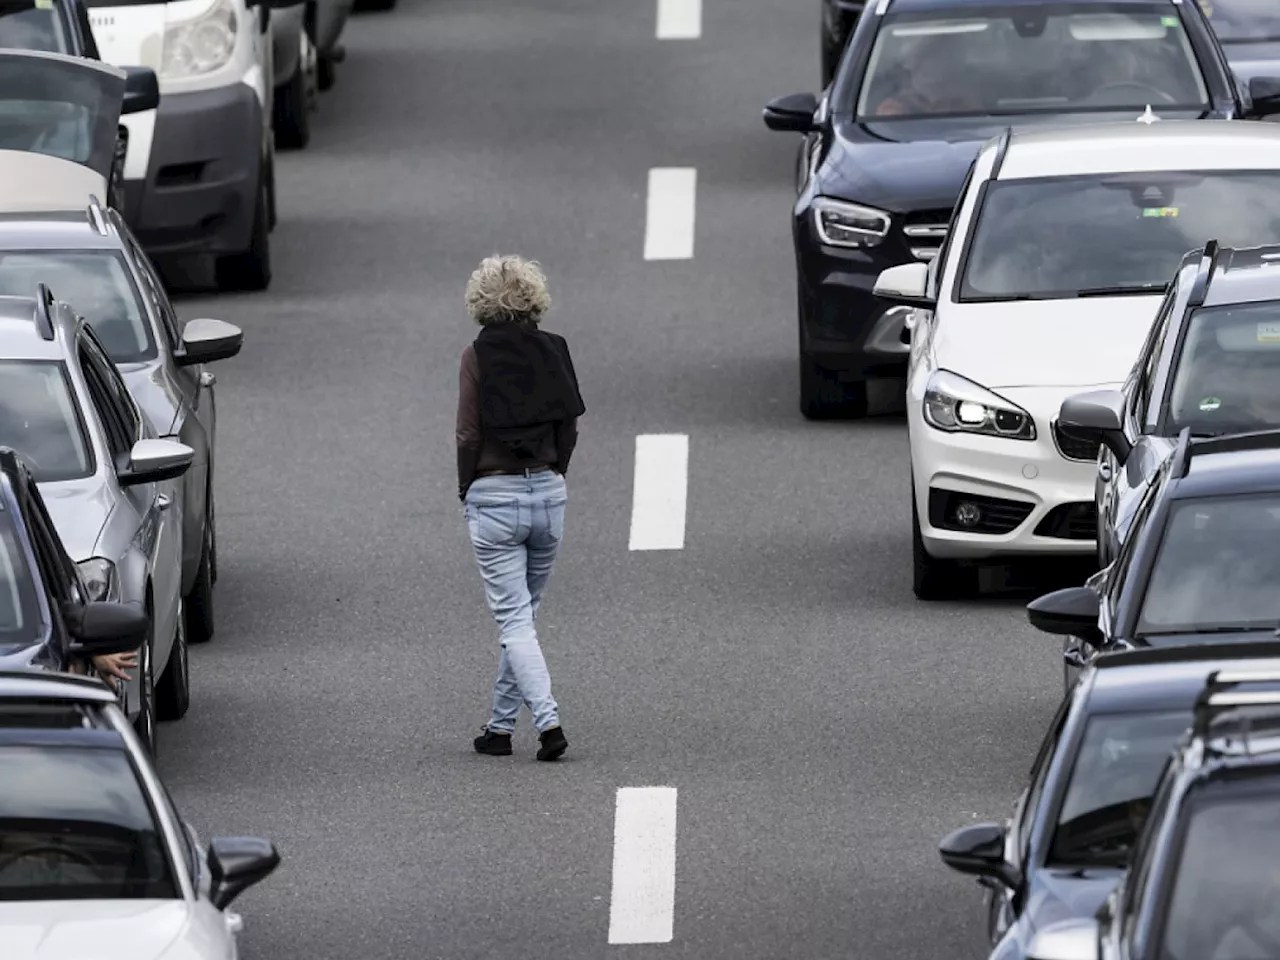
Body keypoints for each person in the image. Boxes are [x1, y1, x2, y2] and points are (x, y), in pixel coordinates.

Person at [455, 255, 584, 762]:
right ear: (534, 297)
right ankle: (500, 728)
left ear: (480, 302)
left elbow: (467, 433)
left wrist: (468, 485)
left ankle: (549, 722)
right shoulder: (556, 349)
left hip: (494, 494)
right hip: (548, 494)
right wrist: (558, 472)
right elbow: (570, 424)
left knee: (513, 621)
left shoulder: (476, 356)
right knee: (524, 616)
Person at [876, 38, 985, 116]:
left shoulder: (962, 102)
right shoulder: (895, 106)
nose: (929, 66)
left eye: (936, 60)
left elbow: (977, 128)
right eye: (923, 59)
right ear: (912, 66)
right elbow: (889, 132)